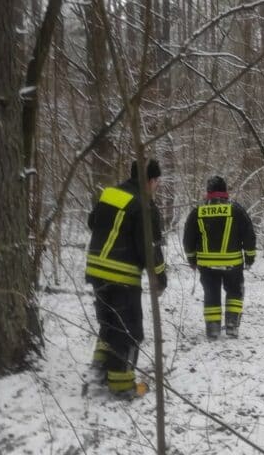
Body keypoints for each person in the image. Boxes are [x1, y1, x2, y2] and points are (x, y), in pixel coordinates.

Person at [85, 159, 167, 395]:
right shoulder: (144, 205)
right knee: (129, 328)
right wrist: (160, 278)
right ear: (151, 181)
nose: (157, 186)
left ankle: (99, 370)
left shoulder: (110, 194)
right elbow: (149, 248)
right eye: (157, 182)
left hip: (96, 270)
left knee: (109, 323)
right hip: (122, 274)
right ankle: (121, 385)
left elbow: (93, 222)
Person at [183, 176, 256, 340]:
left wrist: (192, 259)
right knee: (234, 291)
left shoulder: (198, 211)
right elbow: (249, 235)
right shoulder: (236, 209)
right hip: (233, 263)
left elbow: (188, 238)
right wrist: (250, 256)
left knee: (211, 292)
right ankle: (231, 325)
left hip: (206, 265)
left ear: (208, 192)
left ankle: (213, 328)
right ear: (225, 191)